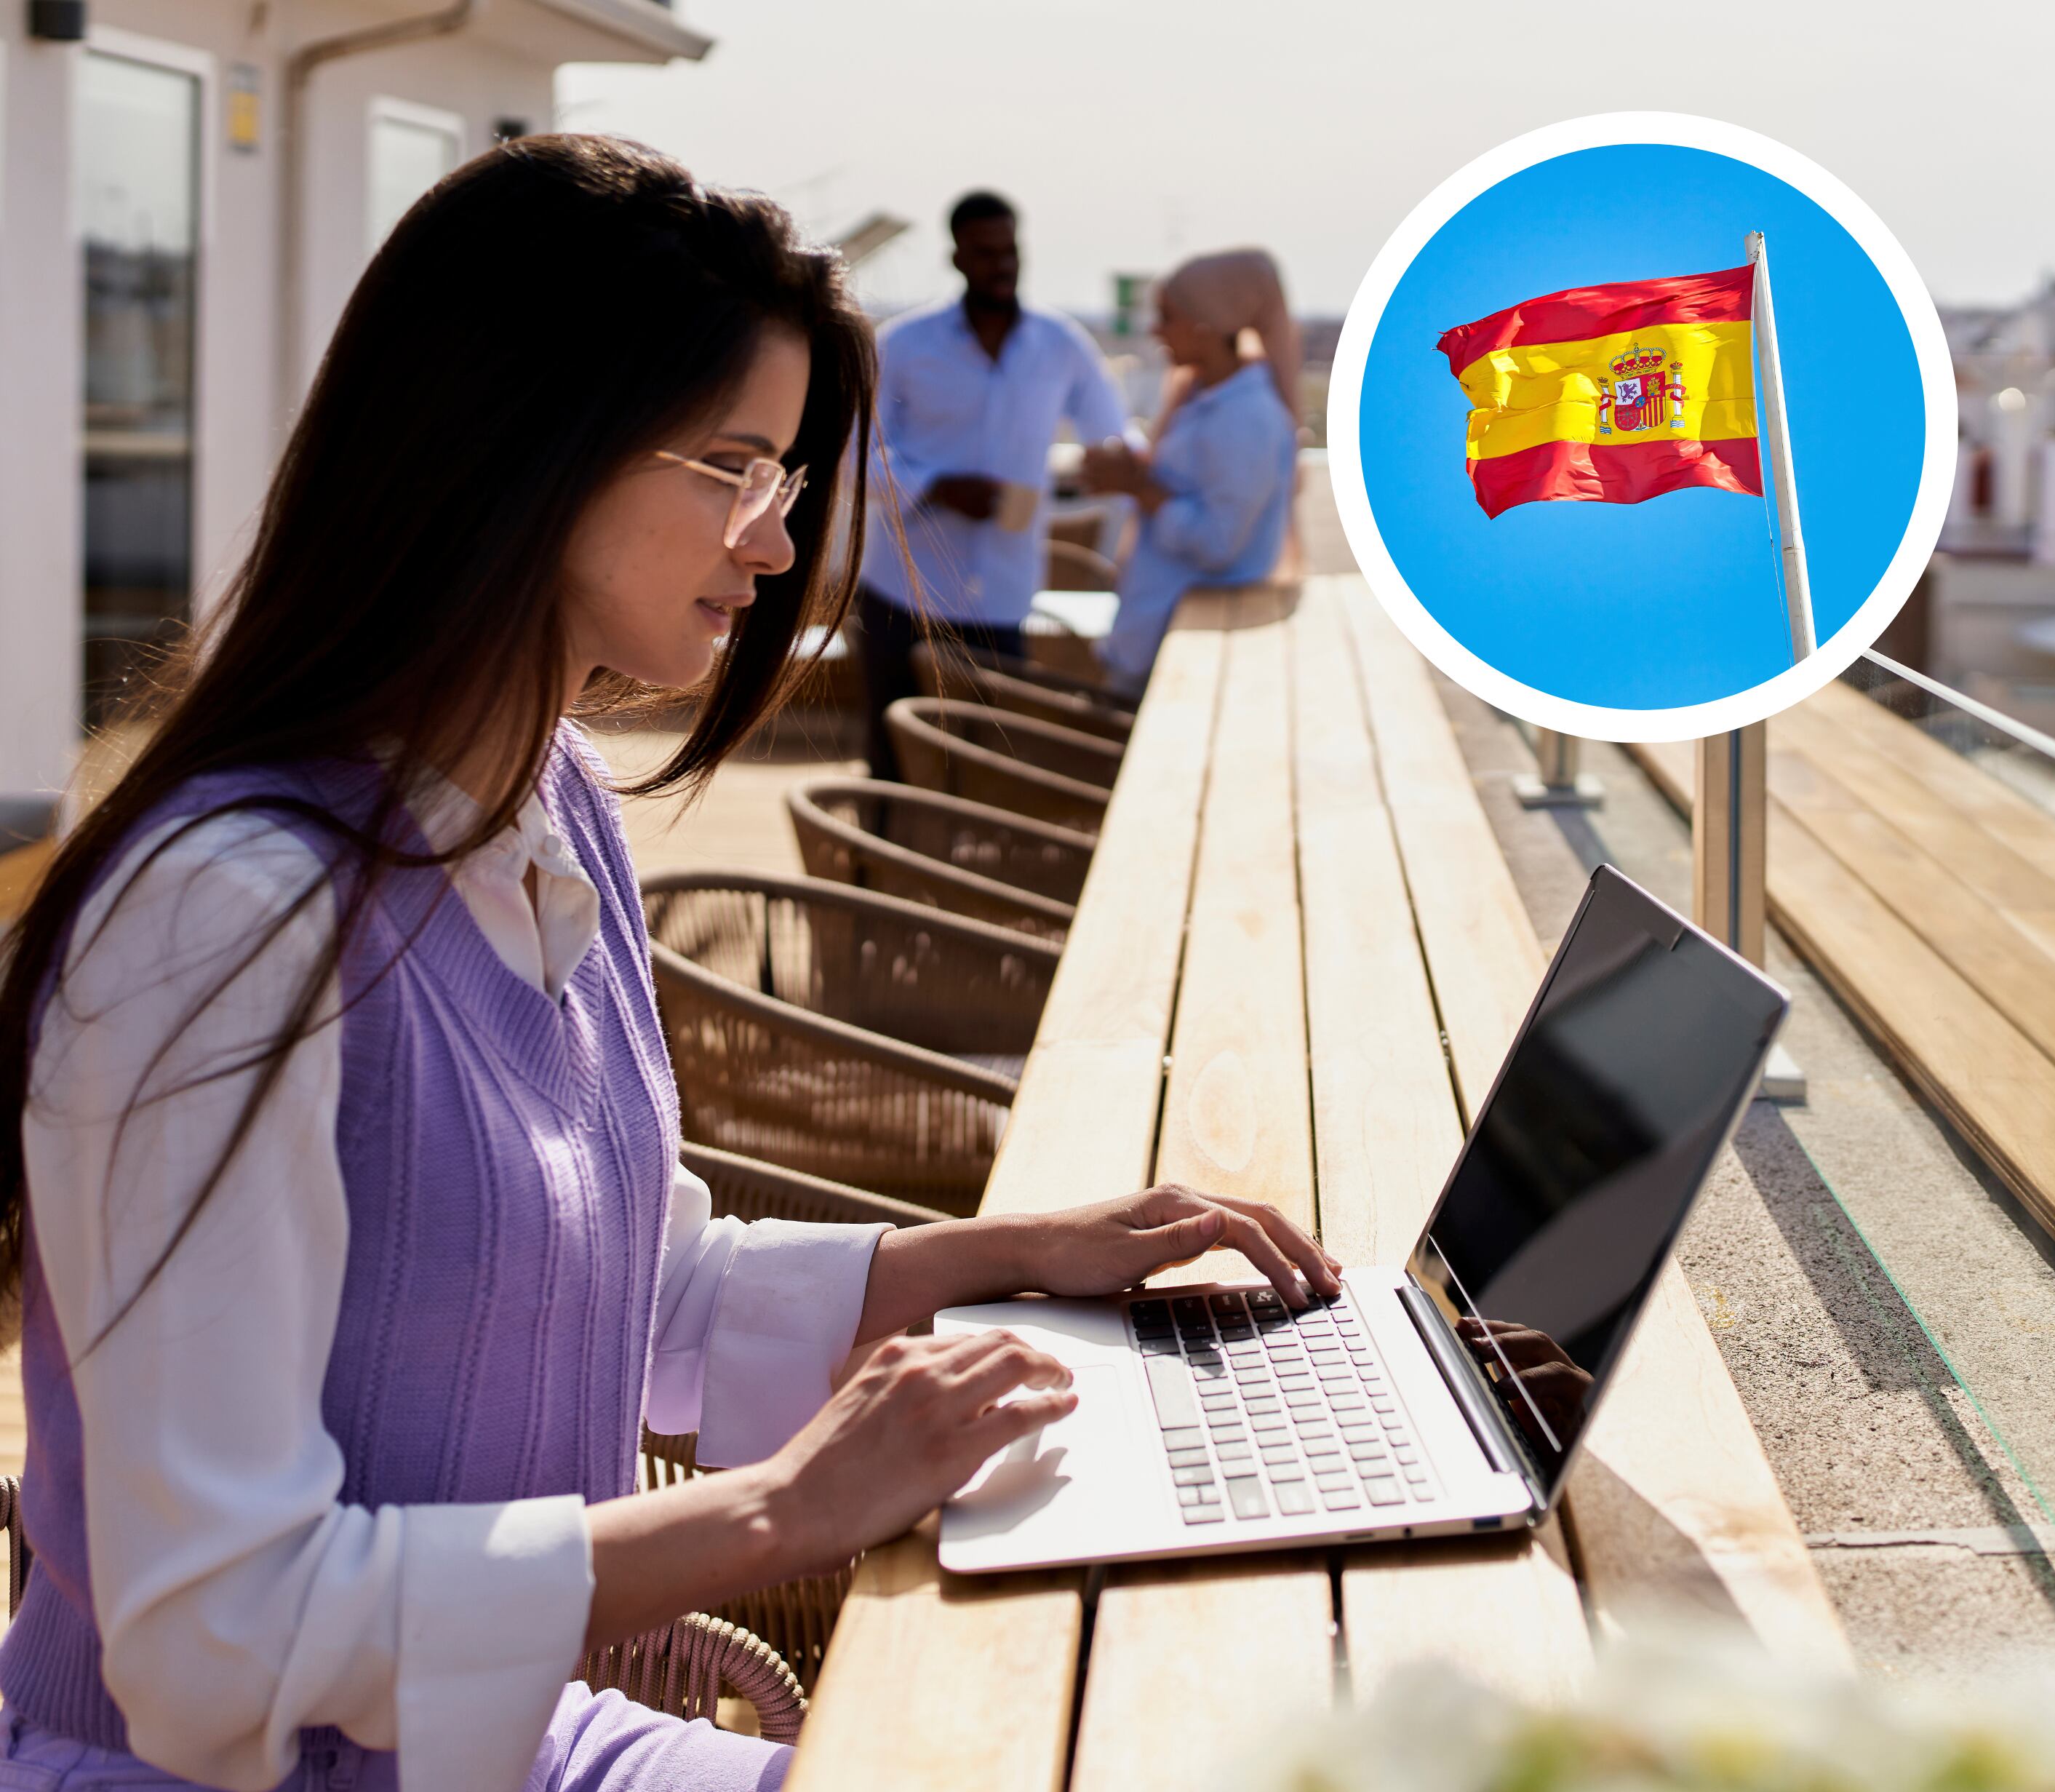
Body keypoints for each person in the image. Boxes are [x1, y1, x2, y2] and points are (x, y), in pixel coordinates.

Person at [0, 138, 1341, 1792]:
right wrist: (770, 1514)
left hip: (490, 1741)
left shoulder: (541, 795)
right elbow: (215, 1641)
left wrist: (1002, 1249)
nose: (774, 546)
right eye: (730, 464)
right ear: (514, 446)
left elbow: (602, 1289)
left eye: (780, 475)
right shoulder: (226, 917)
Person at [855, 190, 1130, 777]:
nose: (1001, 265)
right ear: (956, 257)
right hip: (905, 593)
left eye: (1010, 251)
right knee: (894, 763)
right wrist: (936, 485)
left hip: (1004, 599)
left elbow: (1113, 438)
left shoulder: (1060, 345)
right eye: (985, 252)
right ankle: (875, 868)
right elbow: (854, 455)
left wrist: (1121, 469)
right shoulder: (904, 345)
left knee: (991, 769)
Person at [1082, 250, 1300, 693]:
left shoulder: (1246, 418)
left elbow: (1218, 543)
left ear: (1206, 325)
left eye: (1167, 315)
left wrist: (1140, 487)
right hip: (1153, 645)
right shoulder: (1205, 400)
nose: (1155, 329)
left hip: (1183, 666)